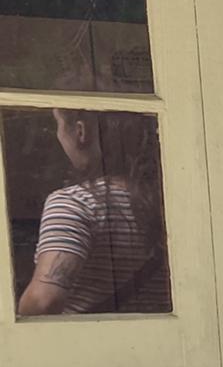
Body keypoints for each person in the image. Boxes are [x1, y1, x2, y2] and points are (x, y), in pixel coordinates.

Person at [16, 107, 169, 316]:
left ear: (81, 131)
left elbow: (44, 302)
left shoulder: (76, 203)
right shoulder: (168, 201)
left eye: (58, 125)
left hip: (92, 345)